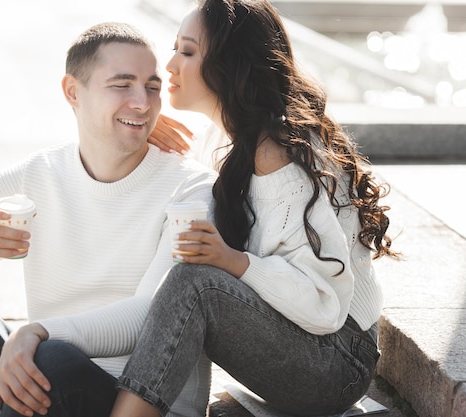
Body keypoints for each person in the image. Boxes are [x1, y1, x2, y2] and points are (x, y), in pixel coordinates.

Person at [0, 22, 216, 417]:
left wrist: (40, 332)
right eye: (122, 85)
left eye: (152, 87)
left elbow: (155, 316)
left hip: (137, 402)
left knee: (53, 359)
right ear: (72, 92)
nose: (143, 102)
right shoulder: (36, 177)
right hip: (39, 380)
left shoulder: (191, 189)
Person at [108, 1, 399, 416]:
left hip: (337, 359)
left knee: (196, 284)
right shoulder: (223, 140)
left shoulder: (278, 152)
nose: (168, 64)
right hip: (302, 342)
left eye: (187, 51)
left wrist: (234, 261)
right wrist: (144, 128)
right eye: (174, 47)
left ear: (230, 64)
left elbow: (325, 304)